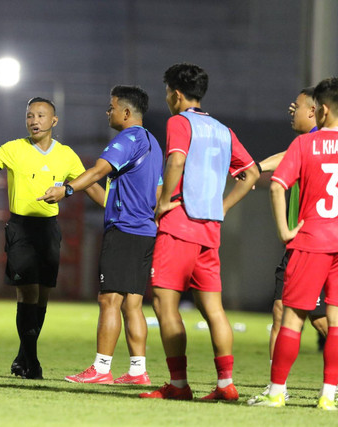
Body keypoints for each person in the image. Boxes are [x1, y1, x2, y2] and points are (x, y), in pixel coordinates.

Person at [0, 97, 104, 379]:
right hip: (21, 229)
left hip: (49, 229)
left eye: (41, 115)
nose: (34, 120)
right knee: (28, 293)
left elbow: (91, 186)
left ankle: (24, 358)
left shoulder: (66, 154)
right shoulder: (13, 148)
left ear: (54, 121)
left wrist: (119, 210)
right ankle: (32, 362)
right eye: (30, 115)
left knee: (43, 296)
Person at [139, 63, 259, 400]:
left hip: (179, 226)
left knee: (165, 304)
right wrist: (223, 207)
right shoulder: (223, 130)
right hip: (210, 231)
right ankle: (226, 385)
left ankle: (178, 385)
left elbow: (175, 161)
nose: (166, 99)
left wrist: (163, 202)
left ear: (176, 94)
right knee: (214, 310)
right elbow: (251, 173)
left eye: (167, 92)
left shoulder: (179, 122)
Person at [38, 86, 163, 384]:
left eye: (112, 107)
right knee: (132, 303)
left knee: (108, 300)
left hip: (124, 230)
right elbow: (155, 191)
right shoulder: (153, 143)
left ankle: (102, 368)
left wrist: (66, 189)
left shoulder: (128, 138)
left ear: (127, 113)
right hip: (145, 230)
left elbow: (98, 171)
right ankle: (137, 371)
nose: (108, 112)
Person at [248, 77, 338, 410]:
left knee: (290, 318)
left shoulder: (304, 145)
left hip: (311, 240)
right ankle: (328, 397)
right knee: (335, 321)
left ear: (322, 110)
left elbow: (277, 186)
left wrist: (286, 231)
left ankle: (276, 391)